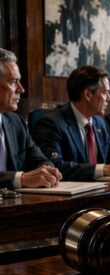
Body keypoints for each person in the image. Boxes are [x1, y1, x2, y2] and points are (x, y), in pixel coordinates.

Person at [34, 65, 110, 180]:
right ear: (87, 94)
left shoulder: (100, 123)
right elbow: (53, 166)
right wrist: (102, 170)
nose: (109, 99)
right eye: (105, 93)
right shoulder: (52, 123)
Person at [0, 49, 61, 189]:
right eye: (13, 82)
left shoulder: (16, 122)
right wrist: (20, 179)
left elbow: (41, 160)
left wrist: (47, 171)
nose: (21, 89)